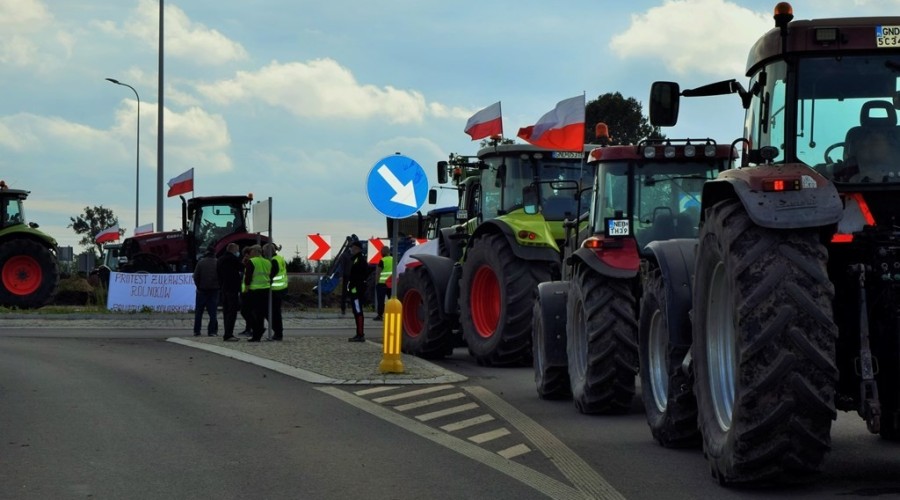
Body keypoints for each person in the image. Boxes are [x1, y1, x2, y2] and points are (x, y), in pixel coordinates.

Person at [244, 245, 271, 342]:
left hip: (254, 290)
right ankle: (257, 335)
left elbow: (248, 277)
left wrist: (246, 289)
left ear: (255, 252)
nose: (250, 254)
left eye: (251, 252)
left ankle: (257, 330)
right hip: (265, 290)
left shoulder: (252, 261)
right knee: (260, 313)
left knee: (245, 311)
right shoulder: (267, 262)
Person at [216, 242, 242, 342]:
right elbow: (242, 267)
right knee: (232, 312)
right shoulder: (233, 259)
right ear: (233, 250)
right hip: (232, 288)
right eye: (237, 250)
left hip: (224, 288)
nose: (238, 252)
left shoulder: (220, 259)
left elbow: (218, 274)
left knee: (226, 312)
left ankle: (227, 333)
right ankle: (229, 334)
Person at [192, 247, 219, 337]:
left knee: (199, 312)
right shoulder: (217, 262)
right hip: (214, 290)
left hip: (202, 290)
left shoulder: (201, 262)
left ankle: (197, 331)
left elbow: (195, 276)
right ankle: (212, 331)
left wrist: (198, 286)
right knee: (213, 312)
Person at [347, 240, 369, 342]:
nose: (351, 249)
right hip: (356, 289)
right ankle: (359, 334)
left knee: (358, 311)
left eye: (353, 247)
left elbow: (357, 276)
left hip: (356, 290)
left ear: (357, 248)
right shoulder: (357, 259)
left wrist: (353, 288)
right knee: (357, 311)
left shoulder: (359, 260)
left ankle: (360, 335)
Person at [265, 242, 286, 341]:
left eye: (264, 251)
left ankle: (277, 333)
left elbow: (271, 275)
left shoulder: (273, 261)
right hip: (281, 288)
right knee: (276, 313)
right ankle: (278, 332)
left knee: (273, 313)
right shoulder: (280, 258)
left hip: (275, 290)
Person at [374, 246, 393, 321]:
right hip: (391, 283)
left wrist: (377, 282)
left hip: (382, 284)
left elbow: (378, 272)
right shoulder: (394, 259)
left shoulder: (382, 260)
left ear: (382, 253)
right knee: (391, 300)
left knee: (381, 300)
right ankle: (392, 314)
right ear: (389, 252)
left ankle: (380, 315)